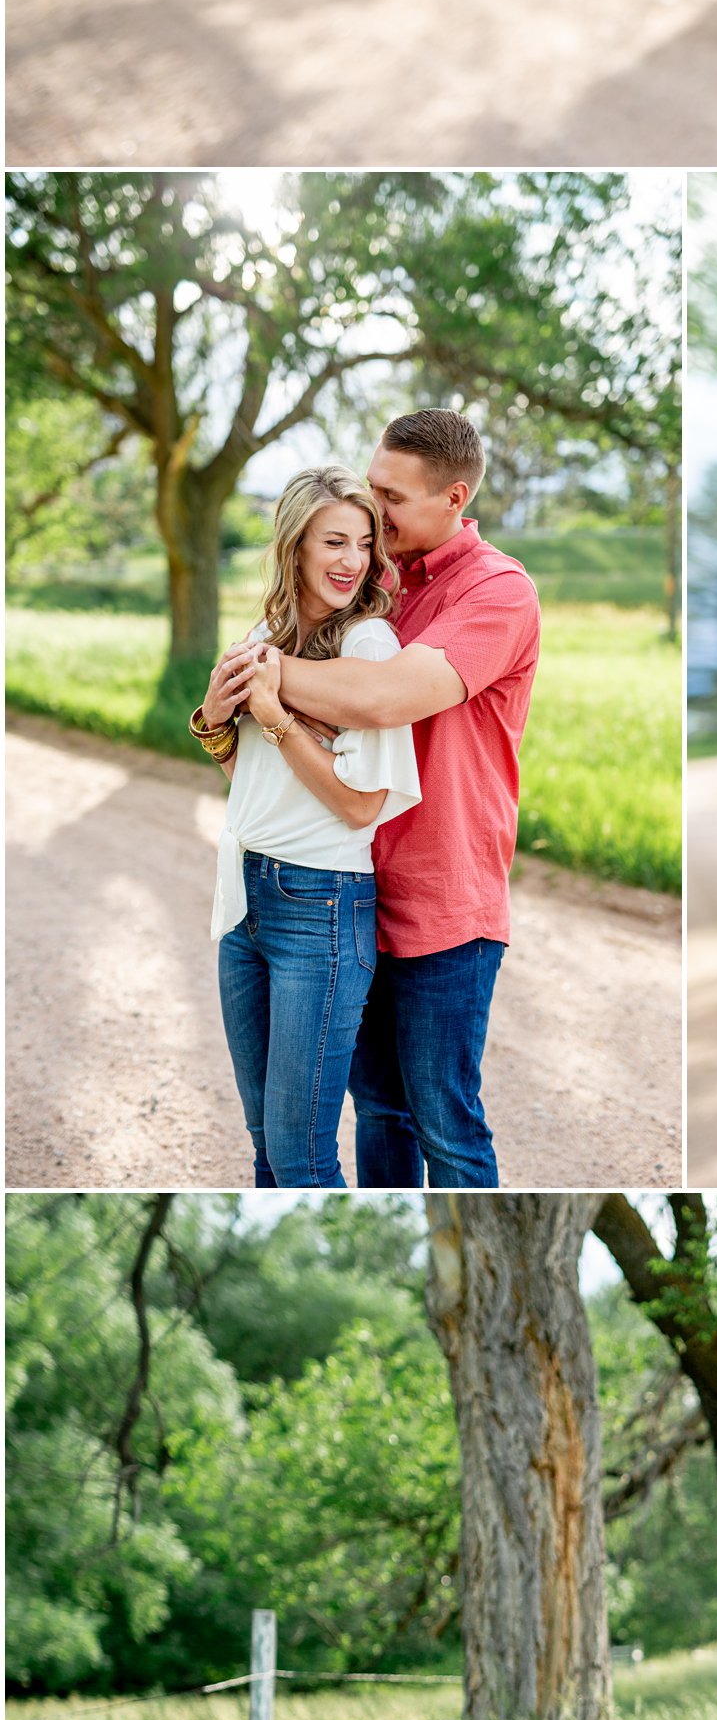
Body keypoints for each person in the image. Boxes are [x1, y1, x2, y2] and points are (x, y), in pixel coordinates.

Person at [207, 409, 540, 1186]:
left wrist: (257, 674)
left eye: (389, 499)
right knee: (378, 1111)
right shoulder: (381, 583)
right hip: (349, 885)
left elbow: (388, 696)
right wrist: (221, 719)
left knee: (444, 1123)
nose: (372, 513)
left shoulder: (497, 591)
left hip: (439, 896)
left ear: (454, 497)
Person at [189, 467, 420, 1186]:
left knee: (301, 1154)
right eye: (333, 542)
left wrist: (275, 717)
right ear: (295, 548)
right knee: (264, 1142)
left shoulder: (371, 648)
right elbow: (252, 784)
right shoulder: (263, 637)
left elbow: (359, 806)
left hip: (320, 906)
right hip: (245, 899)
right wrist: (214, 723)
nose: (352, 560)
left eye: (363, 542)